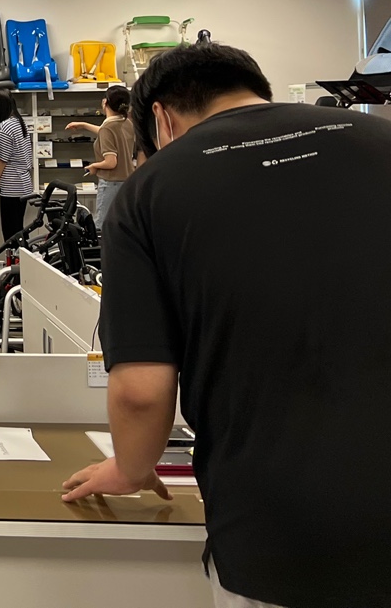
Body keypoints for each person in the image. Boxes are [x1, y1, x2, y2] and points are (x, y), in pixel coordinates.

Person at [62, 44, 391, 608]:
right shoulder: (380, 138)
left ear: (161, 118)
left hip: (286, 533)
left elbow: (142, 390)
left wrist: (131, 468)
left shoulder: (149, 192)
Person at [67, 85, 136, 223]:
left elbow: (111, 162)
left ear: (105, 102)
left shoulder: (108, 128)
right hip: (127, 181)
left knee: (102, 225)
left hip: (111, 183)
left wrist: (94, 166)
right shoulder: (126, 123)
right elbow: (108, 133)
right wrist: (84, 125)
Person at [0, 91, 34, 243]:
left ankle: (17, 256)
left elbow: (2, 159)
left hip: (12, 185)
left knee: (10, 231)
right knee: (18, 228)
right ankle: (23, 255)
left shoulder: (5, 126)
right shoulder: (19, 122)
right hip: (23, 182)